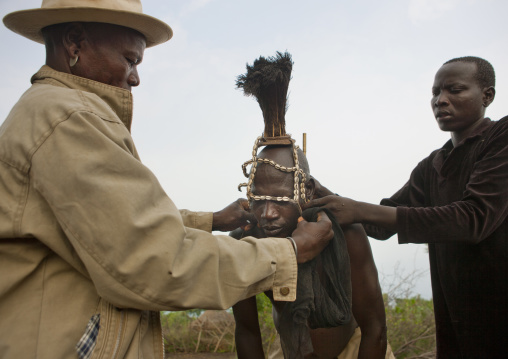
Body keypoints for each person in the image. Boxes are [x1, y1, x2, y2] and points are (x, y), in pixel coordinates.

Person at [0, 1, 334, 358]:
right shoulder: (67, 118)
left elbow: (112, 225)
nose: (135, 77)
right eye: (130, 60)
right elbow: (155, 260)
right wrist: (290, 252)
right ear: (74, 42)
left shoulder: (55, 112)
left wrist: (211, 221)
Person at [306, 56, 508, 358]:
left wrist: (358, 209)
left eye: (455, 90)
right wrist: (329, 199)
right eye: (435, 92)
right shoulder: (432, 166)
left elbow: (473, 219)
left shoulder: (500, 138)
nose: (440, 101)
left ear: (487, 96)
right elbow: (378, 224)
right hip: (455, 323)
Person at [231, 145, 392, 359]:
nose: (267, 213)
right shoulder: (245, 240)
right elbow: (247, 332)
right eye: (258, 199)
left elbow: (375, 329)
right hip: (291, 348)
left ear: (306, 190)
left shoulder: (346, 233)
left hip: (355, 347)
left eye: (280, 199)